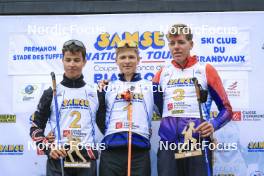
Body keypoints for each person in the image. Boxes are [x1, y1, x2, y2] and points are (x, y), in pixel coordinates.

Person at [153, 24, 233, 176]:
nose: (176, 47)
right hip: (168, 145)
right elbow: (158, 108)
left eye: (181, 42)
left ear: (191, 44)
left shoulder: (205, 70)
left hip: (197, 143)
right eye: (172, 43)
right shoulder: (161, 74)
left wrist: (213, 124)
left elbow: (227, 109)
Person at [30, 39, 99, 176]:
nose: (72, 64)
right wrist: (49, 149)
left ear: (84, 62)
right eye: (68, 60)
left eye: (76, 60)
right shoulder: (52, 92)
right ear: (62, 61)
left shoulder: (95, 92)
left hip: (85, 156)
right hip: (58, 158)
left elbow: (107, 125)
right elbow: (35, 127)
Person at [97, 40, 161, 176]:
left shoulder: (152, 87)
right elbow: (99, 118)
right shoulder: (106, 87)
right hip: (111, 152)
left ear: (138, 60)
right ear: (116, 60)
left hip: (139, 152)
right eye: (122, 57)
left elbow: (165, 113)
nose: (127, 61)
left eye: (131, 57)